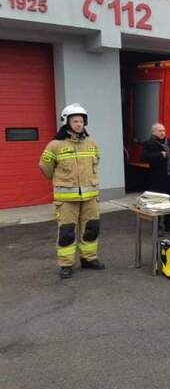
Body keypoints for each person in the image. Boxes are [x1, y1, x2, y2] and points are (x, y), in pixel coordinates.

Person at [39, 103, 105, 279]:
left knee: (91, 229)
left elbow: (96, 162)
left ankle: (89, 259)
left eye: (81, 121)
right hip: (67, 199)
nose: (79, 124)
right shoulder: (55, 145)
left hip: (90, 197)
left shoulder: (91, 142)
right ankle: (66, 264)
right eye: (75, 121)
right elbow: (45, 167)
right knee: (67, 232)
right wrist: (61, 180)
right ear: (66, 122)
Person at [141, 123, 170, 232]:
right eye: (159, 131)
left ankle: (169, 225)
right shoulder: (149, 143)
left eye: (163, 130)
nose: (162, 133)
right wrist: (161, 155)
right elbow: (144, 157)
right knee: (158, 203)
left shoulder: (169, 142)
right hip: (157, 179)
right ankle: (158, 227)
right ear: (153, 132)